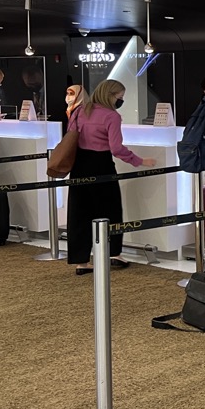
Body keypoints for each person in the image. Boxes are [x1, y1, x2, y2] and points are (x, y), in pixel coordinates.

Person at [65, 79, 157, 275]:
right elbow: (116, 148)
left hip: (79, 165)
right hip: (101, 165)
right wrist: (139, 160)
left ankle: (81, 261)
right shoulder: (111, 116)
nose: (121, 100)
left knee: (79, 212)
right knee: (110, 210)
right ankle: (113, 253)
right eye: (120, 97)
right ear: (110, 96)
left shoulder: (79, 111)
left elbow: (69, 137)